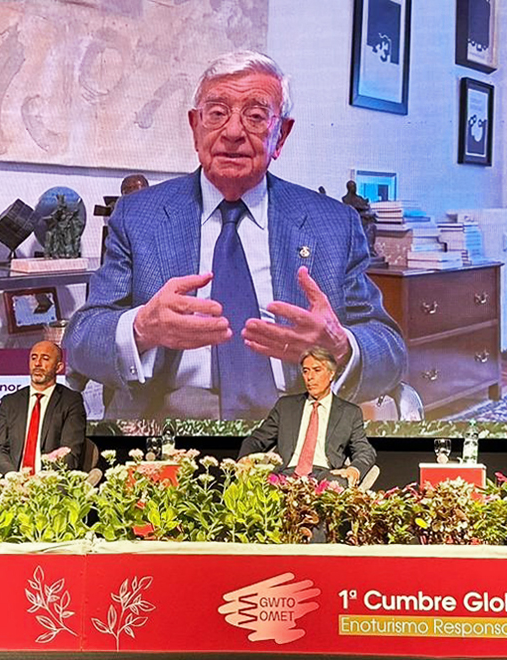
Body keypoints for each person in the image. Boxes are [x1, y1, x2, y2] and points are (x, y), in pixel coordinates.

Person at [62, 50, 406, 420]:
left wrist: (338, 346)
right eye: (216, 113)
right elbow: (81, 340)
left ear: (281, 135)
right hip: (164, 422)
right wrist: (142, 327)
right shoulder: (138, 216)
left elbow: (389, 350)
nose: (233, 132)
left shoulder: (333, 224)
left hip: (298, 421)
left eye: (256, 116)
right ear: (196, 127)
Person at [238, 347, 375, 487]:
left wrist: (354, 470)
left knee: (336, 485)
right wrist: (244, 459)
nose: (310, 377)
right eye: (305, 371)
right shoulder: (286, 406)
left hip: (324, 475)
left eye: (317, 370)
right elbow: (256, 439)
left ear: (331, 374)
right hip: (285, 474)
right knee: (251, 485)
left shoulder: (349, 412)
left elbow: (364, 450)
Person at [0, 340, 86, 473]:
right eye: (34, 358)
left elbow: (69, 453)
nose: (37, 363)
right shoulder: (9, 402)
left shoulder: (71, 401)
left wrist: (41, 483)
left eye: (45, 359)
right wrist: (13, 479)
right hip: (12, 481)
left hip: (50, 482)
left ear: (59, 367)